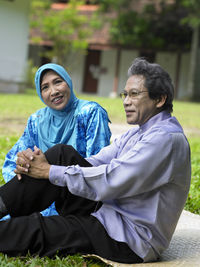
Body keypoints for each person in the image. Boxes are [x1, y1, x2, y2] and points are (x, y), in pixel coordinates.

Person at [0, 58, 191, 263]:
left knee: (42, 229)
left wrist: (49, 171)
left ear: (160, 99)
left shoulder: (165, 140)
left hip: (126, 237)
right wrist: (46, 165)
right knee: (61, 154)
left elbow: (111, 179)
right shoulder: (140, 132)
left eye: (134, 94)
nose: (126, 101)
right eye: (125, 94)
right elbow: (96, 161)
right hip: (108, 209)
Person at [2, 63, 111, 217]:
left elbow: (97, 166)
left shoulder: (90, 113)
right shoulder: (37, 120)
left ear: (68, 81)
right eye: (45, 87)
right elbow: (13, 161)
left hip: (77, 196)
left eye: (58, 82)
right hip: (40, 196)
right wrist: (23, 163)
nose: (53, 91)